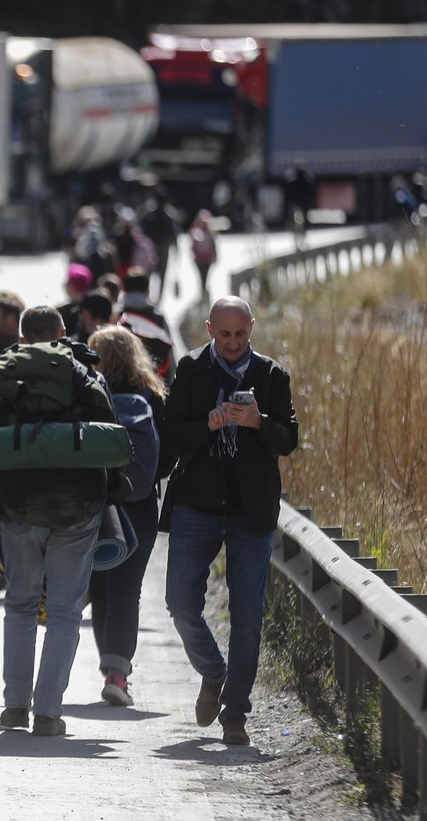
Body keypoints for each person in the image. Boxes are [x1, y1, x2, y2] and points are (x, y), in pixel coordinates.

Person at [161, 296, 298, 746]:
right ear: (209, 330)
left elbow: (288, 440)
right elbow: (172, 435)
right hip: (197, 505)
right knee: (180, 603)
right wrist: (210, 424)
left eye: (241, 334)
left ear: (252, 328)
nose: (234, 343)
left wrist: (258, 422)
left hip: (250, 509)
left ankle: (235, 713)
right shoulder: (192, 369)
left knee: (247, 616)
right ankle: (213, 671)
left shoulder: (272, 374)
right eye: (225, 334)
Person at [0, 306, 120, 737]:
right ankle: (47, 712)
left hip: (20, 506)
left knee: (20, 603)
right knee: (64, 610)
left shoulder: (4, 378)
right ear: (62, 333)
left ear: (23, 338)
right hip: (77, 507)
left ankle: (14, 707)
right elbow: (109, 435)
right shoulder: (85, 376)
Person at [86, 325, 167, 707]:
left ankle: (109, 669)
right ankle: (118, 674)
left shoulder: (86, 395)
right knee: (126, 588)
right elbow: (166, 460)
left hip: (96, 502)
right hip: (140, 504)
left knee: (100, 586)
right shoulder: (153, 395)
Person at [118, 269, 176, 385]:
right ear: (147, 290)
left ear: (124, 290)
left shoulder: (117, 316)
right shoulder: (158, 318)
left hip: (122, 381)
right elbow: (170, 355)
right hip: (155, 381)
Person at [140, 187, 181, 299]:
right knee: (157, 274)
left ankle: (154, 297)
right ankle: (155, 297)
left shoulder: (154, 214)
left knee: (154, 273)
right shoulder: (161, 214)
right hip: (156, 248)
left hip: (156, 248)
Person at [56, 264, 94, 335]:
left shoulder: (62, 311)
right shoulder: (93, 308)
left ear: (72, 286)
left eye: (68, 282)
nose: (64, 285)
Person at [189, 210, 218, 301]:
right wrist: (216, 257)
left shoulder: (195, 231)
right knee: (205, 278)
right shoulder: (210, 233)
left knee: (202, 278)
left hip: (199, 260)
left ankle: (203, 294)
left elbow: (192, 247)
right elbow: (214, 246)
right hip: (207, 259)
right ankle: (204, 295)